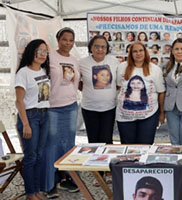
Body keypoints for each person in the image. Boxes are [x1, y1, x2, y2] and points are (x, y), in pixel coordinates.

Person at [41, 27, 80, 198]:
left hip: (71, 105)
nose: (68, 43)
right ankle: (49, 184)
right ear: (58, 40)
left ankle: (72, 180)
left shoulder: (74, 59)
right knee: (51, 146)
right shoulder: (49, 57)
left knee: (69, 144)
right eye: (65, 39)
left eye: (71, 40)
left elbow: (76, 83)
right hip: (53, 107)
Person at [15, 39, 50, 200]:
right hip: (30, 116)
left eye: (45, 51)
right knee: (30, 157)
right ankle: (30, 193)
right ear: (31, 52)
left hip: (44, 115)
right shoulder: (23, 72)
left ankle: (36, 190)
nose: (42, 54)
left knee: (40, 155)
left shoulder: (43, 70)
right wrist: (26, 124)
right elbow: (19, 101)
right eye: (39, 50)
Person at [116, 41, 165, 144]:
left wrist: (161, 113)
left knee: (145, 147)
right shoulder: (122, 67)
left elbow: (161, 92)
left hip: (148, 117)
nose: (138, 53)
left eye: (141, 50)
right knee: (127, 148)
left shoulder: (155, 69)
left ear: (145, 52)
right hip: (125, 117)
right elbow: (119, 86)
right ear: (130, 54)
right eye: (135, 51)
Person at [79, 35, 119, 146]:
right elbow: (78, 82)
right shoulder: (82, 63)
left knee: (107, 140)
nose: (100, 49)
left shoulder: (114, 61)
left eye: (103, 47)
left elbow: (118, 82)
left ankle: (108, 163)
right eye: (96, 46)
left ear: (107, 48)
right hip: (89, 108)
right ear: (90, 47)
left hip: (109, 108)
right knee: (93, 142)